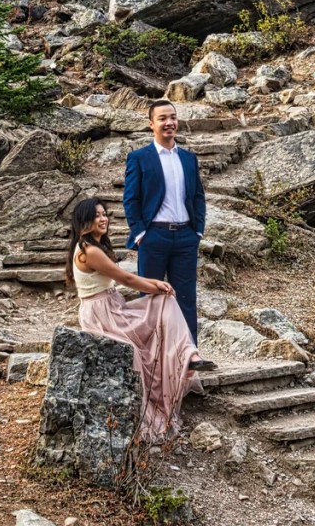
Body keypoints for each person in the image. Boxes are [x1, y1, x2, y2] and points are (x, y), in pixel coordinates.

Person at [66, 196, 202, 443]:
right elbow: (126, 279)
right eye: (97, 215)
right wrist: (155, 286)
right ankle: (184, 358)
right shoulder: (90, 252)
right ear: (84, 221)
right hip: (102, 314)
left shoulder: (92, 247)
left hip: (111, 306)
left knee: (164, 302)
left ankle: (188, 355)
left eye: (104, 214)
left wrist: (156, 284)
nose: (103, 219)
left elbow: (124, 278)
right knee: (156, 313)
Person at [123, 99, 214, 367]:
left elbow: (197, 196)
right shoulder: (139, 158)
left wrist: (198, 231)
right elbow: (131, 199)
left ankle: (189, 354)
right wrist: (140, 234)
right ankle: (151, 355)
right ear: (151, 124)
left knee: (186, 298)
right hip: (154, 236)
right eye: (162, 118)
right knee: (150, 298)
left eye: (172, 117)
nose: (169, 122)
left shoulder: (188, 158)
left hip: (185, 236)